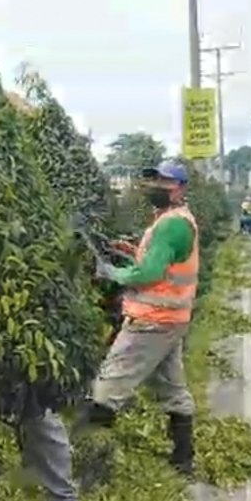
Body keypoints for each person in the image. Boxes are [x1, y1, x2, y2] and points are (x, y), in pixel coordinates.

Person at [76, 161, 200, 478]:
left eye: (166, 182)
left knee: (107, 389)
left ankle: (89, 465)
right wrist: (132, 252)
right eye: (155, 180)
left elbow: (150, 274)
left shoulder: (171, 225)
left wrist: (114, 273)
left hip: (151, 321)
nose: (158, 186)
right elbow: (162, 263)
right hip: (171, 319)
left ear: (181, 188)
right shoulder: (173, 221)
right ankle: (183, 457)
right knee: (173, 388)